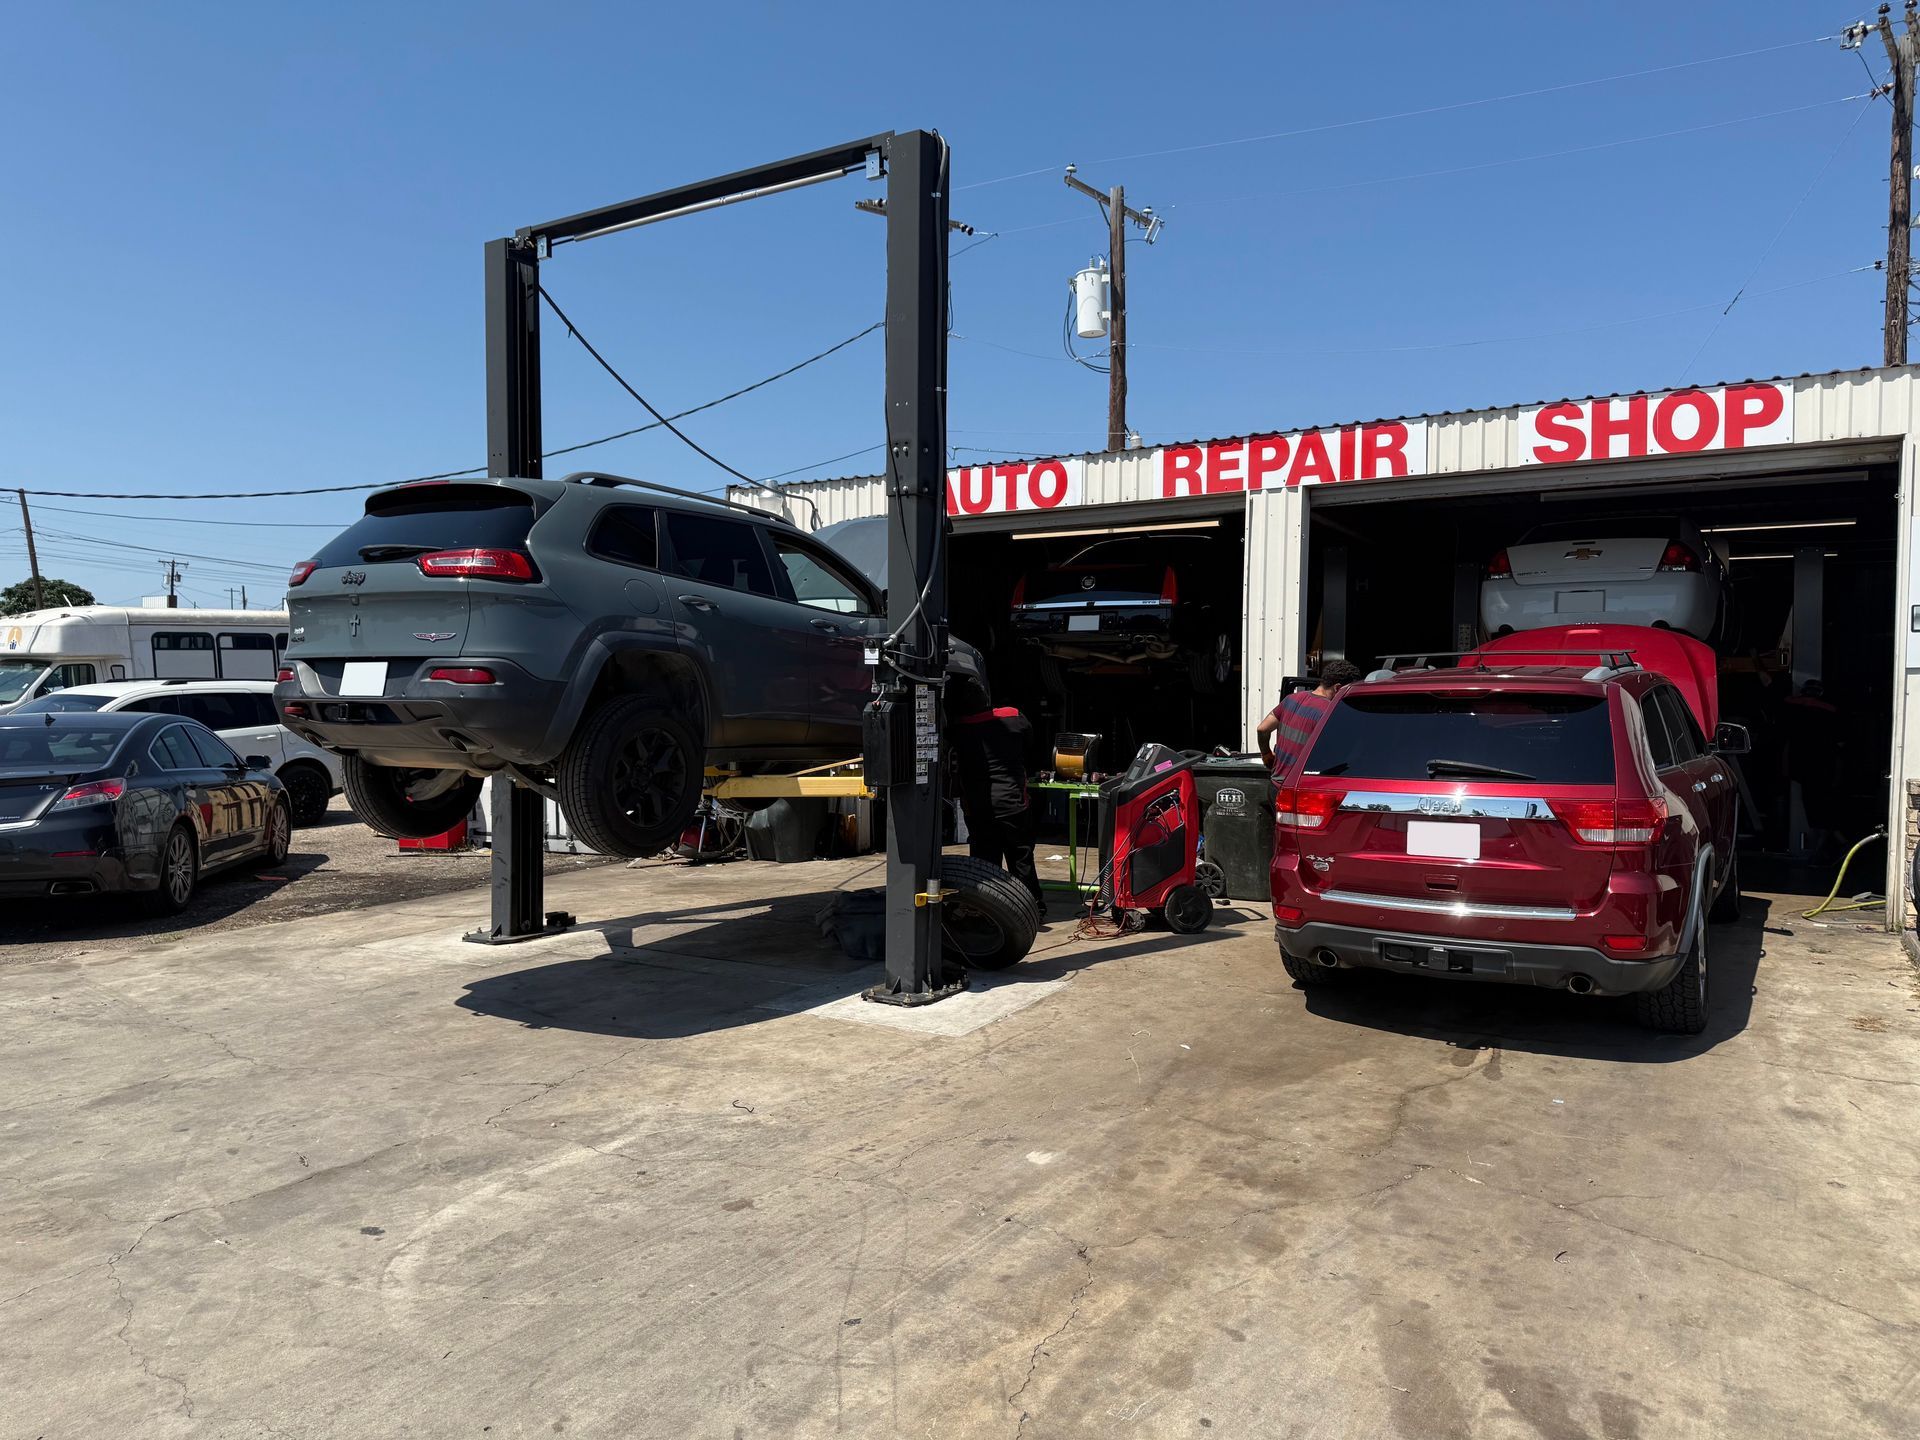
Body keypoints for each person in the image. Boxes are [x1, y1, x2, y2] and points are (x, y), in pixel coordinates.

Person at [945, 674, 1044, 912]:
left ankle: (988, 910)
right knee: (1021, 859)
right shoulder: (1013, 716)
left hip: (979, 808)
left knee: (984, 863)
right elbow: (1030, 747)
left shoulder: (958, 729)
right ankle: (1033, 908)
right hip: (1013, 804)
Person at [1258, 658, 1362, 774]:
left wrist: (1266, 753)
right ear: (1337, 688)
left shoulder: (1291, 699)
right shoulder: (1330, 713)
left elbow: (1262, 729)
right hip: (1301, 784)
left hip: (1276, 781)